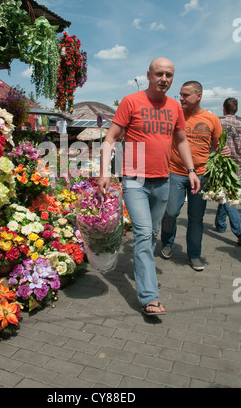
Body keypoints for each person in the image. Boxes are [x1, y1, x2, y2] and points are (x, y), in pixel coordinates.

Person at [98, 58, 200, 316]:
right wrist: (104, 172)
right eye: (159, 74)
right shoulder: (131, 102)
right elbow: (110, 138)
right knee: (144, 234)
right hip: (135, 181)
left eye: (169, 75)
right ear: (148, 75)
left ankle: (143, 271)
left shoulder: (175, 107)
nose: (164, 79)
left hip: (163, 182)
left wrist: (191, 170)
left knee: (151, 234)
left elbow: (181, 141)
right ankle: (148, 297)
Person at [160, 81, 229, 270]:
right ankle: (167, 242)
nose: (180, 98)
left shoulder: (211, 119)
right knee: (171, 212)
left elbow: (218, 146)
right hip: (175, 172)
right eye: (180, 94)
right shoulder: (176, 115)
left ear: (198, 96)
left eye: (185, 95)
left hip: (201, 176)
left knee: (196, 217)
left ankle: (194, 255)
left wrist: (224, 151)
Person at [214, 97, 241, 246]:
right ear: (236, 109)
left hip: (223, 166)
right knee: (224, 194)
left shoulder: (218, 121)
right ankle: (220, 224)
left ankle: (239, 231)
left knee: (228, 200)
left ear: (224, 108)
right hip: (239, 167)